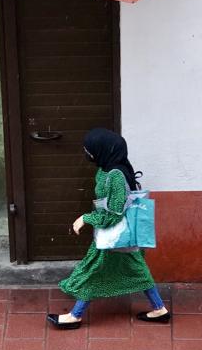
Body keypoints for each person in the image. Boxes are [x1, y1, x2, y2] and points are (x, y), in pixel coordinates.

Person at [47, 128, 169, 329]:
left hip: (116, 235)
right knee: (138, 269)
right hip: (119, 236)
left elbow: (114, 213)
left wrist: (86, 219)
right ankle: (159, 309)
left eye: (90, 150)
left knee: (95, 271)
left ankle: (74, 316)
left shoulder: (116, 176)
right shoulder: (106, 168)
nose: (87, 153)